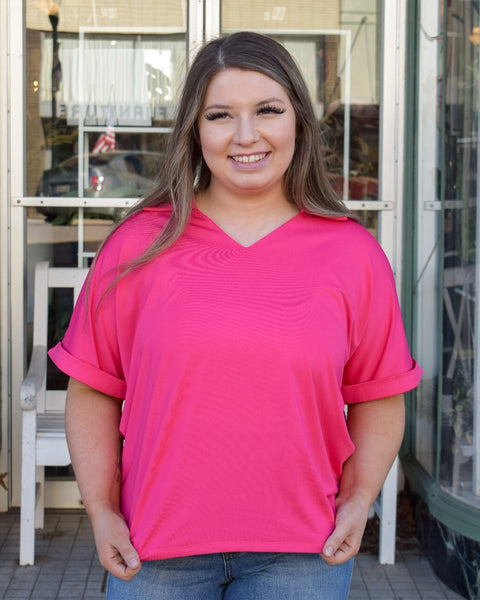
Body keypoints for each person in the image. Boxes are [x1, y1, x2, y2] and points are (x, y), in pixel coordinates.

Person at [49, 31, 422, 600]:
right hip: (154, 553)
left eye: (267, 110)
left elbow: (378, 393)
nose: (246, 136)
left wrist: (360, 500)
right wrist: (100, 509)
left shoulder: (353, 254)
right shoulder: (138, 245)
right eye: (220, 115)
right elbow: (93, 389)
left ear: (297, 117)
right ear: (195, 133)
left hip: (302, 554)